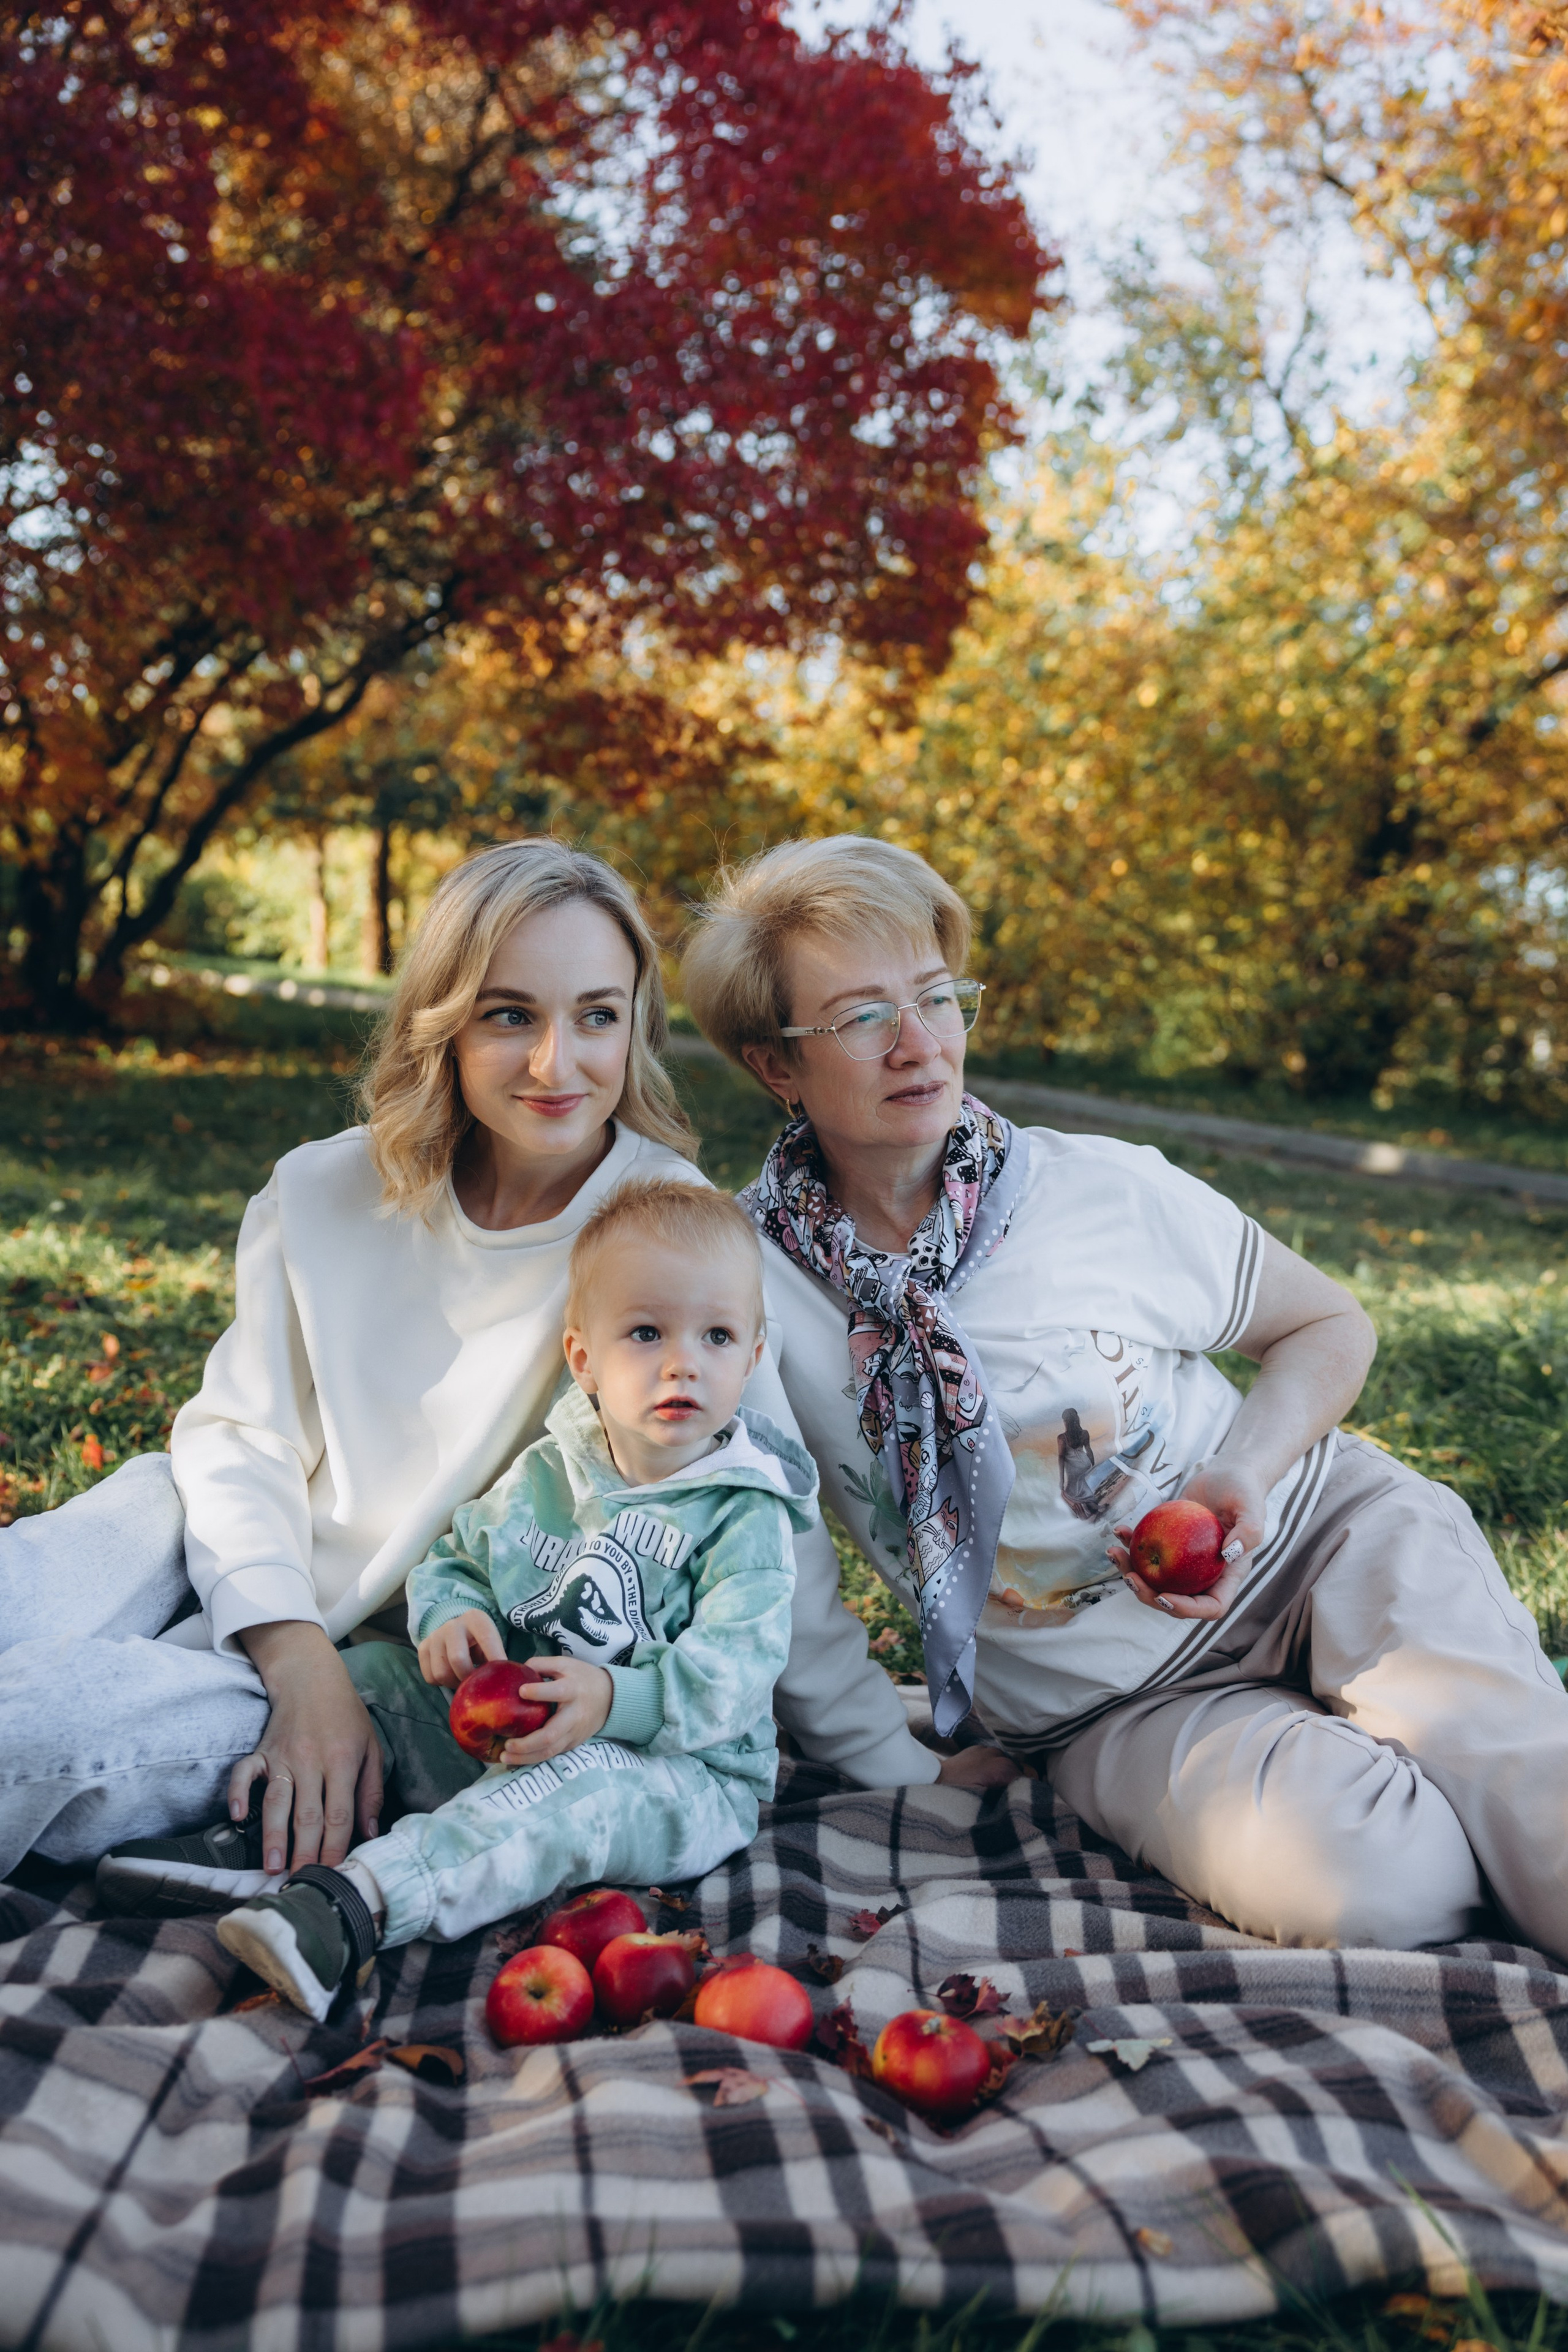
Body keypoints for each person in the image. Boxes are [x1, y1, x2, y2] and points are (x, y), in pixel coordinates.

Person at [7, 841, 946, 1909]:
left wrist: (896, 1763)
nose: (559, 1064)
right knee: (55, 1565)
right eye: (510, 1016)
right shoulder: (319, 1192)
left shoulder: (662, 1238)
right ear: (444, 1019)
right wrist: (293, 1653)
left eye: (597, 1015)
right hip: (229, 1542)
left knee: (36, 1732)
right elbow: (238, 1443)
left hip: (384, 1652)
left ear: (634, 1026)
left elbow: (760, 1509)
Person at [679, 833, 1568, 1958]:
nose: (921, 1045)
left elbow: (1327, 1324)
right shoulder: (746, 1285)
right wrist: (888, 1757)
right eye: (862, 1017)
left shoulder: (1096, 1188)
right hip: (1122, 1710)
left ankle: (1445, 1748)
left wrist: (1242, 1471)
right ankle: (1371, 1765)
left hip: (1323, 1540)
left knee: (1535, 1799)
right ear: (775, 1065)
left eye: (937, 998)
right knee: (1382, 1890)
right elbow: (783, 1566)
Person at [206, 1178, 811, 2021]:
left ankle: (354, 1906)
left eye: (717, 1336)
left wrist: (616, 1699)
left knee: (573, 1785)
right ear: (584, 1360)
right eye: (646, 1332)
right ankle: (252, 1832)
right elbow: (456, 1558)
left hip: (678, 1775)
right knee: (370, 1674)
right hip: (516, 1731)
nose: (683, 1362)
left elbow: (738, 1673)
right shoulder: (549, 1472)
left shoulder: (743, 1514)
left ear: (751, 1358)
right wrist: (450, 1619)